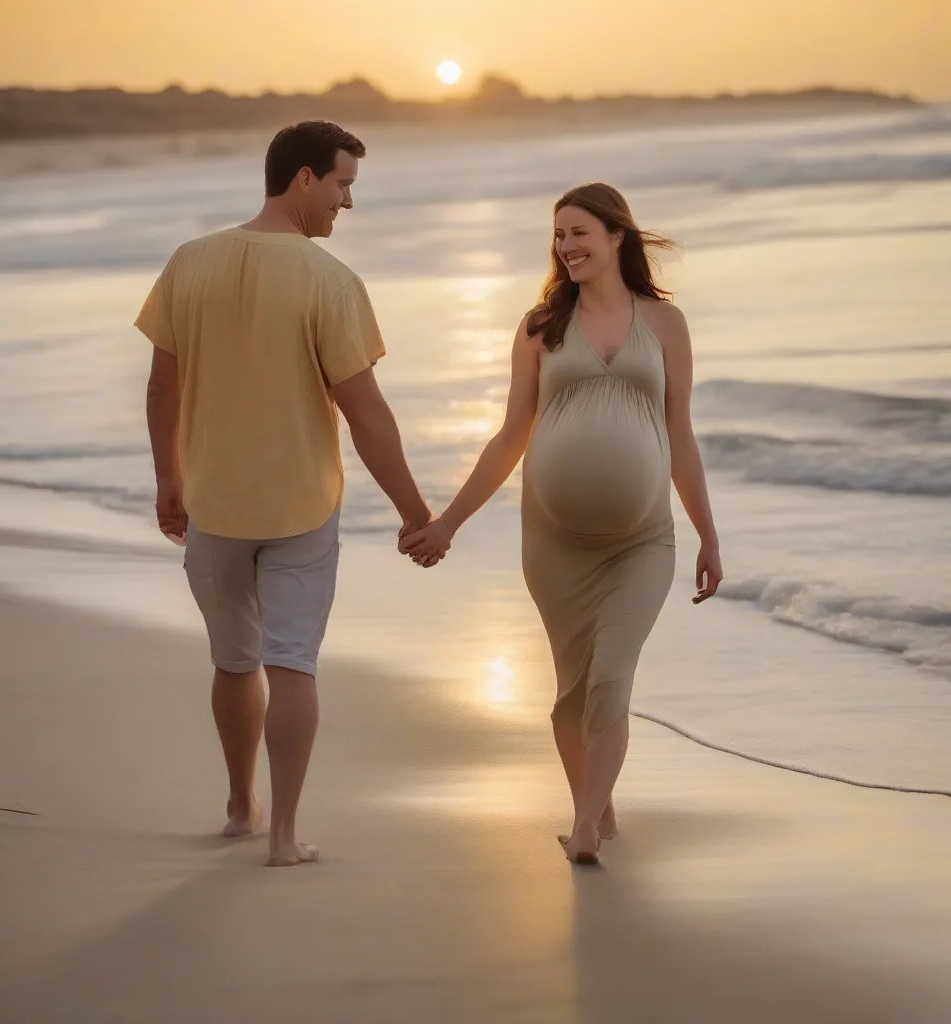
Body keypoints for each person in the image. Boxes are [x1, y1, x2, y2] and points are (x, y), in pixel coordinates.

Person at [137, 121, 432, 867]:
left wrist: (169, 479)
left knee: (235, 661)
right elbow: (366, 414)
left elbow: (163, 385)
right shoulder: (329, 281)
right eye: (343, 185)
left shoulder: (189, 262)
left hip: (214, 506)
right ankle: (283, 836)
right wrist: (415, 513)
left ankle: (240, 806)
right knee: (292, 664)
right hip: (300, 507)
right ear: (304, 179)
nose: (347, 204)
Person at [401, 182, 723, 865]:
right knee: (572, 692)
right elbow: (509, 435)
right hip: (554, 545)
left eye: (579, 232)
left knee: (612, 676)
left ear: (616, 237)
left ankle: (582, 826)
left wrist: (708, 534)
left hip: (643, 542)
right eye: (558, 236)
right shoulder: (541, 326)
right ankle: (596, 807)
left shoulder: (665, 324)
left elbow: (681, 436)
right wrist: (448, 522)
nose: (566, 246)